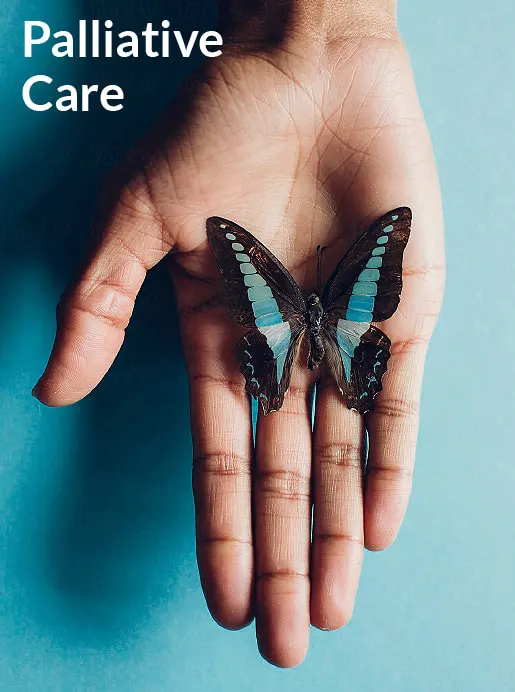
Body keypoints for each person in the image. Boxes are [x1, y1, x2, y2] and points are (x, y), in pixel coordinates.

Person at [32, 0, 444, 668]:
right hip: (328, 334)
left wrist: (337, 29)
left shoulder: (276, 289)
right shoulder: (327, 289)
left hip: (283, 333)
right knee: (329, 376)